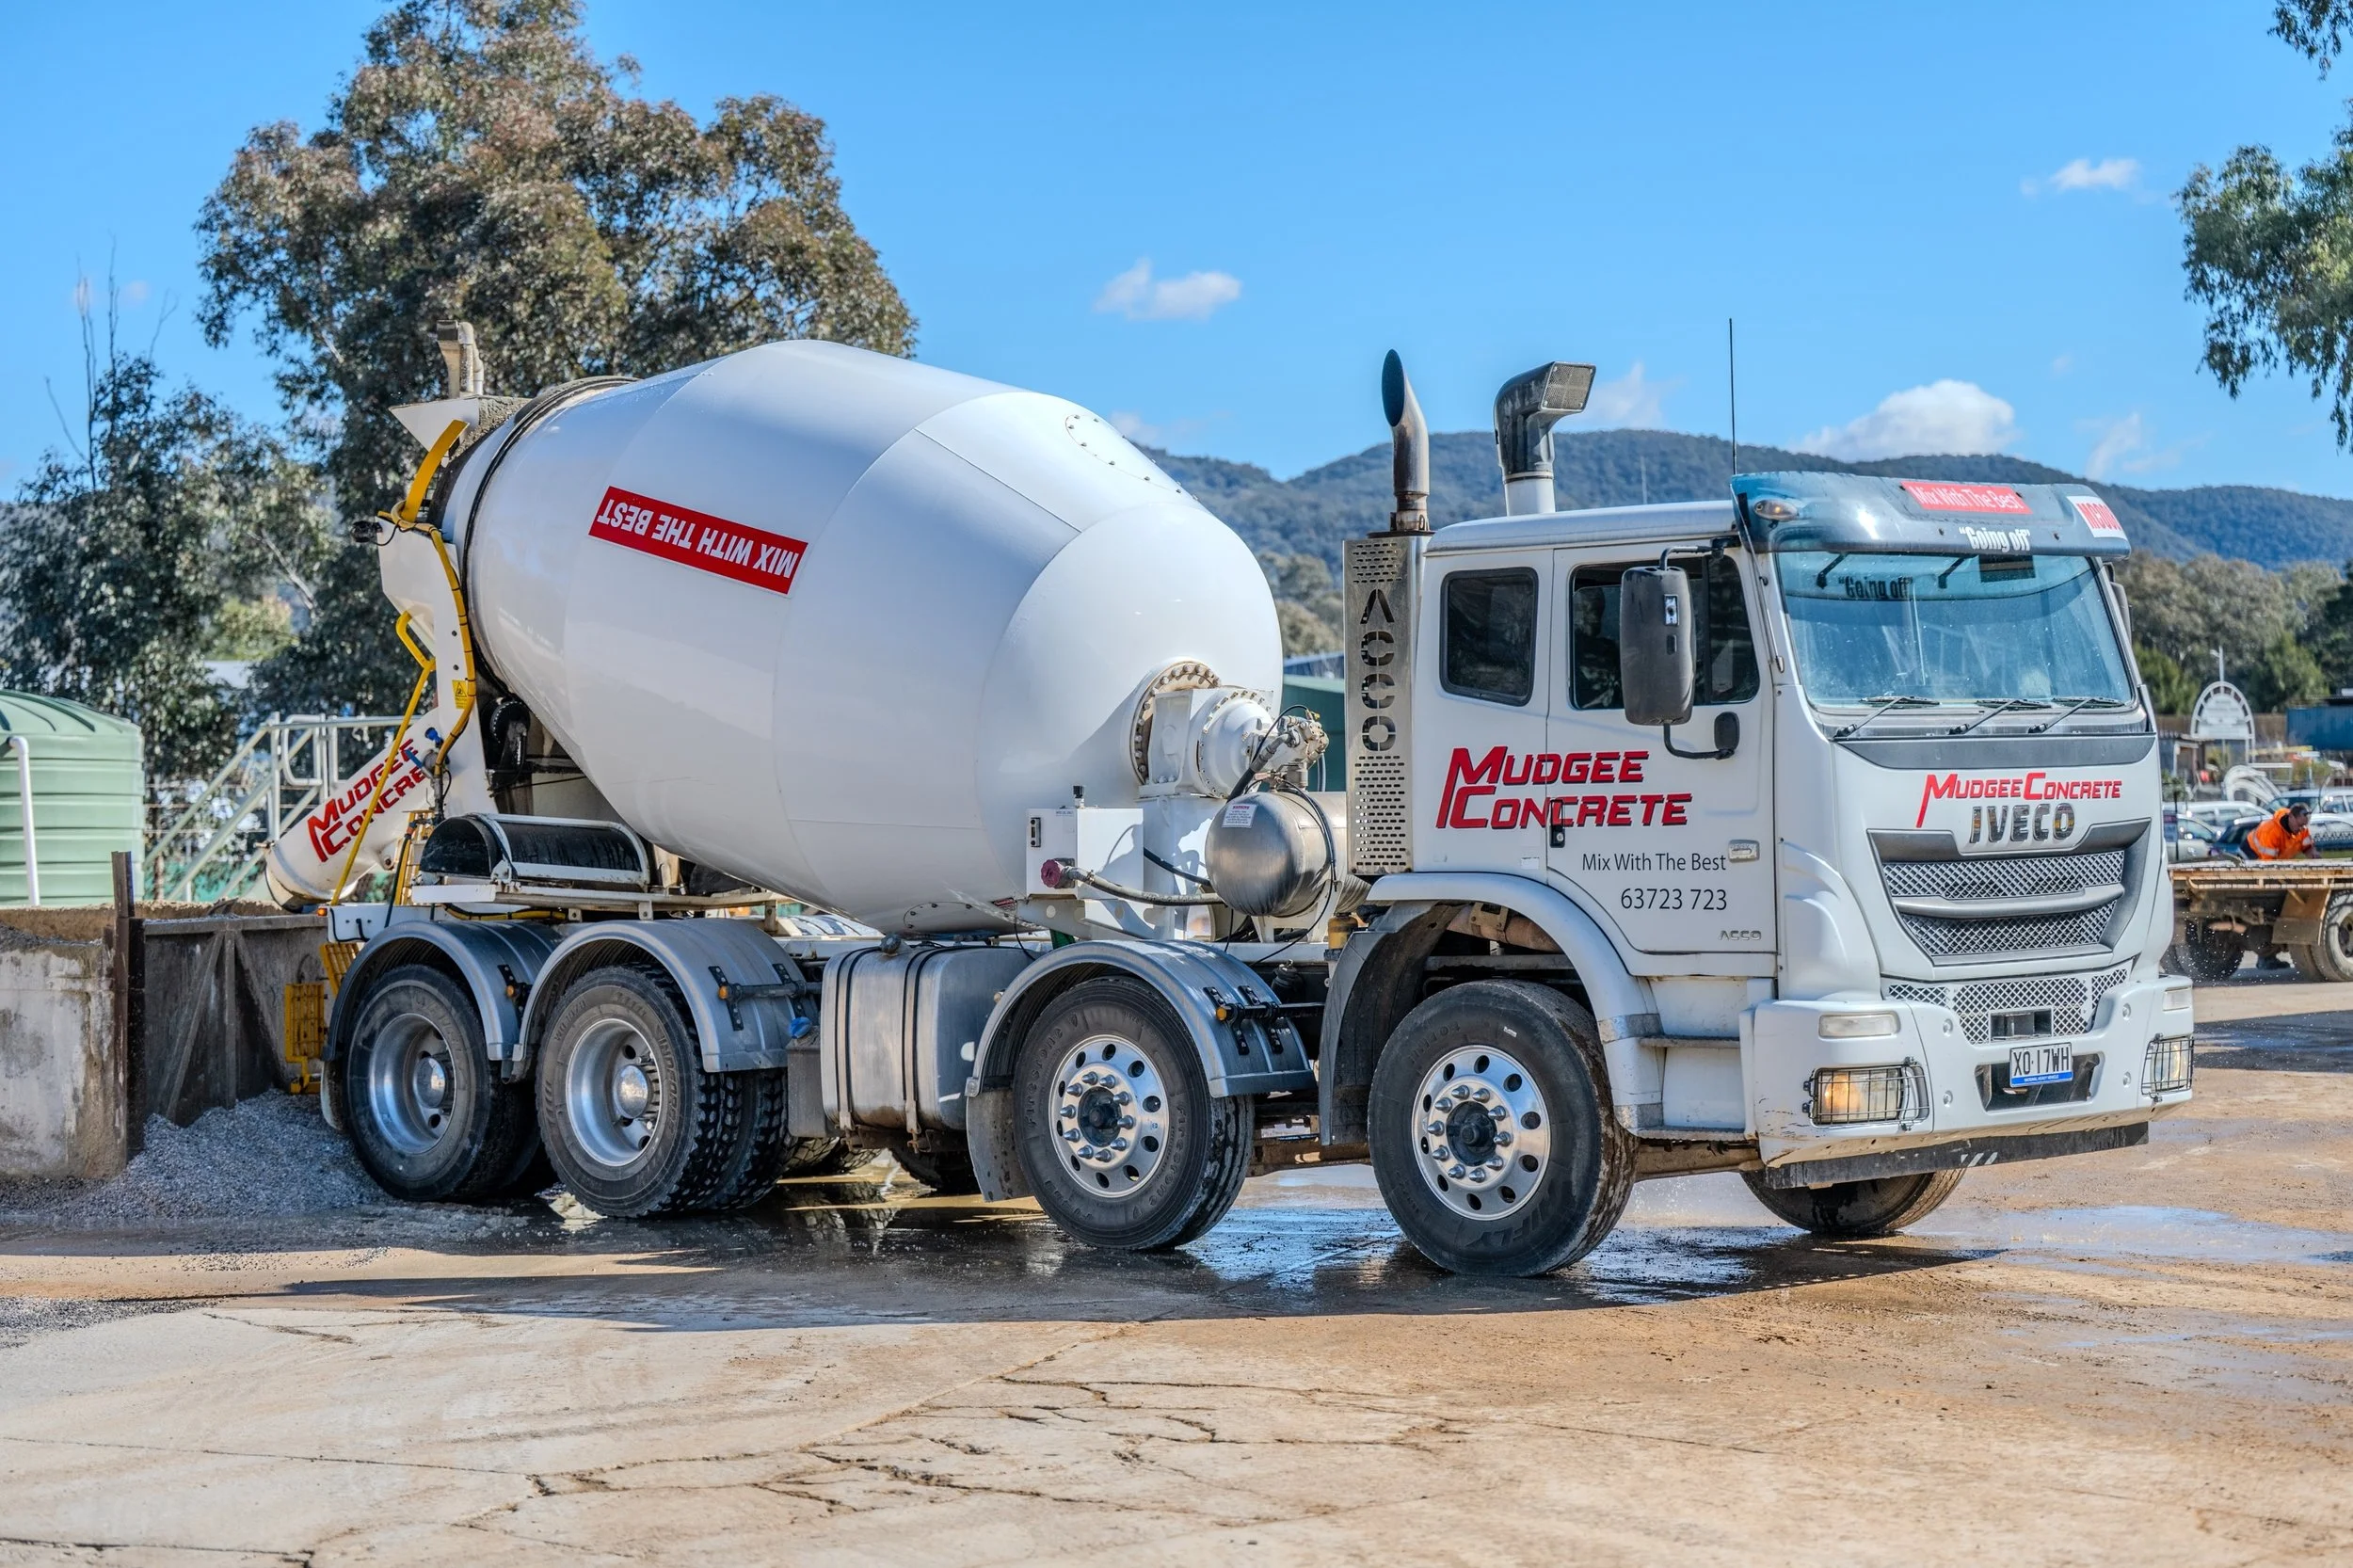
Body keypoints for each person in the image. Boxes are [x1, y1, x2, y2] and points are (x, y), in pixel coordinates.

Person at [2247, 802, 2316, 861]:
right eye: (2299, 825)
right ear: (2291, 817)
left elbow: (2308, 849)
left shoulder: (2302, 829)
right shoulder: (2271, 832)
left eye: (2305, 825)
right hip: (2251, 853)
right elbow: (2268, 865)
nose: (2302, 829)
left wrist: (2315, 858)